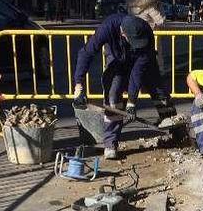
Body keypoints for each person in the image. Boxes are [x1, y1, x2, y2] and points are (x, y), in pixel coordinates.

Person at [72, 14, 176, 160]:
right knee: (113, 92)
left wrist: (132, 102)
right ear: (123, 33)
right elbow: (87, 53)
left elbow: (138, 71)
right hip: (117, 57)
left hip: (143, 58)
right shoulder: (107, 28)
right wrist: (79, 85)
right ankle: (111, 143)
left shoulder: (145, 31)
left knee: (158, 90)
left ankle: (176, 131)